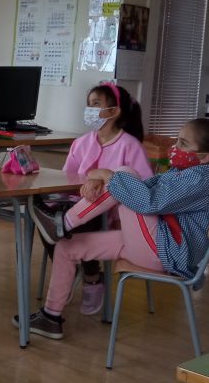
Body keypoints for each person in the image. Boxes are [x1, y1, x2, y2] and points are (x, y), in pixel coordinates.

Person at [21, 117, 209, 340]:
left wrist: (107, 176)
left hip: (166, 252)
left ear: (205, 157)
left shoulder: (203, 178)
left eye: (183, 144)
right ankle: (51, 316)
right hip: (156, 243)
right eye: (177, 140)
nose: (175, 147)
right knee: (67, 247)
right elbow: (144, 186)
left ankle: (63, 223)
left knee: (125, 175)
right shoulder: (187, 171)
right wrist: (103, 178)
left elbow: (148, 202)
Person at [53, 81, 151, 315]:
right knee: (48, 220)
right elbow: (67, 179)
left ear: (114, 111)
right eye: (88, 104)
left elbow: (143, 188)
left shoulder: (130, 145)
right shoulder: (81, 143)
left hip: (114, 214)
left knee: (70, 225)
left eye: (96, 104)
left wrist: (103, 179)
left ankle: (92, 278)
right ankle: (69, 273)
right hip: (78, 205)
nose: (90, 109)